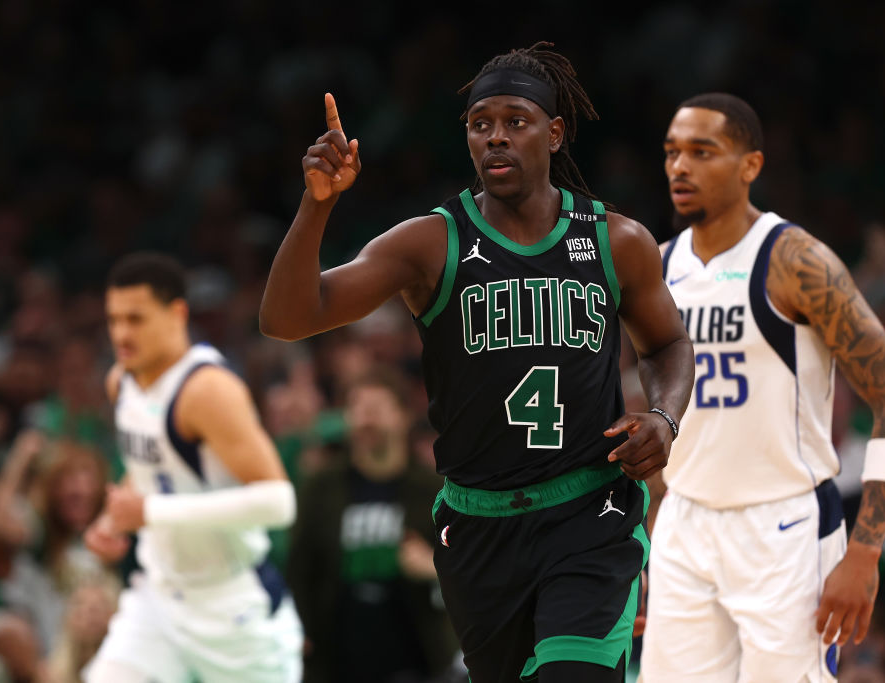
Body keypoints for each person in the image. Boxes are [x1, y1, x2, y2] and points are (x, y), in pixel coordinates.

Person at [259, 42, 694, 683]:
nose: (496, 137)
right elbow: (288, 318)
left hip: (590, 512)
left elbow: (667, 345)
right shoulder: (431, 242)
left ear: (555, 132)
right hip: (478, 523)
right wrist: (318, 204)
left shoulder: (615, 240)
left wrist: (663, 414)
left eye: (515, 121)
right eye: (480, 124)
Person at [640, 93, 885, 682]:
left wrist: (865, 553)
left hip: (784, 529)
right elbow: (663, 425)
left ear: (750, 166)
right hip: (685, 526)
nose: (679, 167)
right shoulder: (659, 267)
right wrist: (646, 545)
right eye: (671, 153)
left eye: (701, 151)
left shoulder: (796, 262)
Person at [82, 251, 303, 683]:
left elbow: (279, 502)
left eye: (136, 319)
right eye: (114, 320)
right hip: (159, 599)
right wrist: (111, 520)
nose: (121, 333)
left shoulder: (207, 390)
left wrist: (148, 514)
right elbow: (149, 471)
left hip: (232, 609)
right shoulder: (120, 381)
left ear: (177, 314)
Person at [288, 366, 458, 683]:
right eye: (357, 409)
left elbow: (470, 570)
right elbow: (299, 566)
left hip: (418, 657)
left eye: (377, 409)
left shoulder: (436, 491)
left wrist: (435, 567)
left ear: (403, 416)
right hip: (336, 658)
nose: (366, 419)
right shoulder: (320, 487)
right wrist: (300, 628)